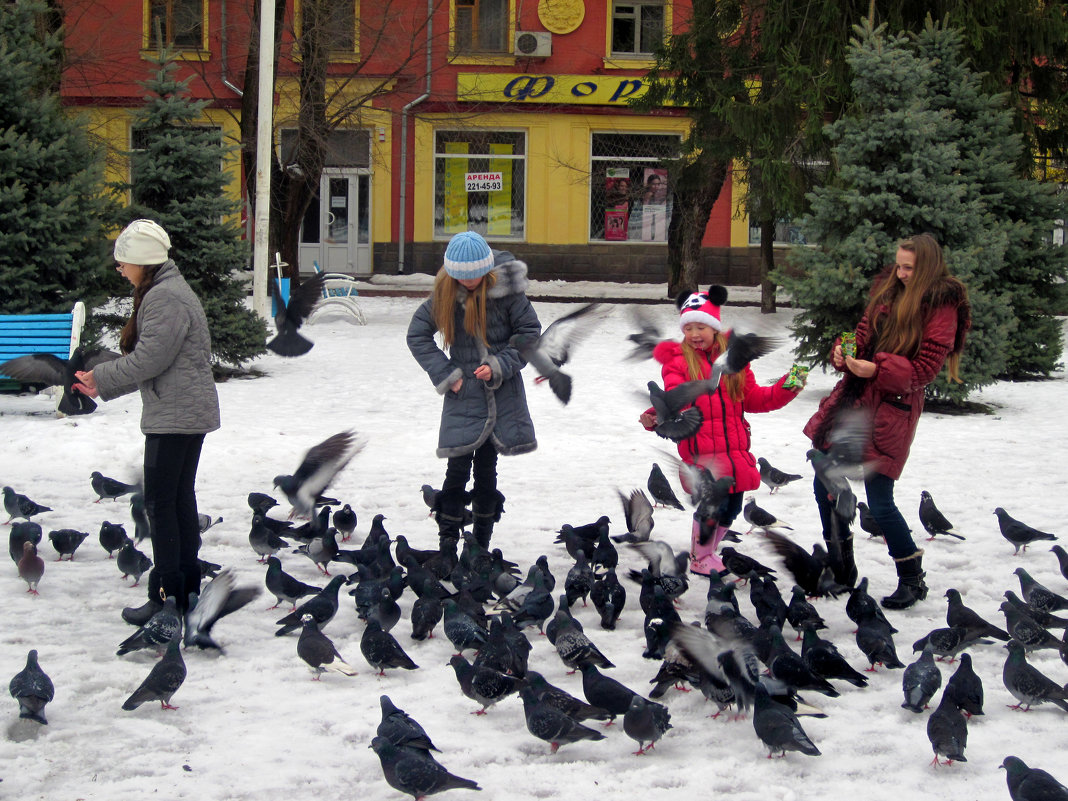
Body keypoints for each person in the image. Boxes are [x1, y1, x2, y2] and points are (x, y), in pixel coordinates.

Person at [804, 233, 970, 609]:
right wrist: (844, 353)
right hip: (855, 401)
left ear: (926, 267)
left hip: (892, 411)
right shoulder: (888, 291)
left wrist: (875, 368)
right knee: (824, 483)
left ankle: (912, 579)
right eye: (898, 264)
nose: (901, 272)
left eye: (909, 267)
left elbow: (924, 371)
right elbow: (861, 334)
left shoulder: (941, 305)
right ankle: (841, 566)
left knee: (879, 503)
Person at [73, 219, 220, 624]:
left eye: (123, 263)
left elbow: (152, 358)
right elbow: (156, 360)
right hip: (180, 410)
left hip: (175, 415)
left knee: (161, 503)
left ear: (141, 262)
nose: (119, 270)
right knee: (176, 499)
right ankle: (185, 590)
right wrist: (103, 383)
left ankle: (167, 595)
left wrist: (101, 379)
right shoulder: (166, 291)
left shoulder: (164, 297)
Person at [640, 286, 803, 575]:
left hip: (735, 450)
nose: (694, 334)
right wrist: (656, 414)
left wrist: (785, 388)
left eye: (701, 326)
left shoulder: (735, 362)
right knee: (712, 508)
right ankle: (700, 556)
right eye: (688, 327)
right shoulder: (677, 362)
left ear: (714, 328)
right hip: (702, 454)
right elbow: (675, 399)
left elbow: (754, 399)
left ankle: (709, 551)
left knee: (732, 509)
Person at [406, 230, 541, 555]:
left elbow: (529, 335)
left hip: (501, 396)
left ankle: (480, 546)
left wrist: (500, 364)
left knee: (486, 471)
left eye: (475, 276)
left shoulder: (508, 294)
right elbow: (417, 335)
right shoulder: (445, 295)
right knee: (455, 470)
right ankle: (447, 545)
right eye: (461, 277)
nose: (468, 283)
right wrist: (447, 374)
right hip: (463, 395)